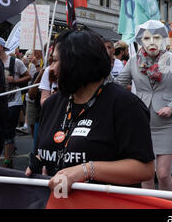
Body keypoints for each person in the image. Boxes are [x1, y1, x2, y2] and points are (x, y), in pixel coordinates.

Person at [26, 29, 155, 191]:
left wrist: (85, 170)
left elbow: (145, 169)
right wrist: (36, 165)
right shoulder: (52, 104)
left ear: (77, 63)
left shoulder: (125, 105)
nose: (50, 69)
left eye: (55, 61)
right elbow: (43, 151)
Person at [116, 20, 172, 191]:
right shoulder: (133, 61)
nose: (152, 42)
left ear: (163, 39)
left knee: (163, 174)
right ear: (141, 41)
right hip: (141, 123)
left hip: (166, 124)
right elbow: (118, 85)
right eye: (147, 38)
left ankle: (166, 205)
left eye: (156, 37)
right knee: (146, 174)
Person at [0, 37, 31, 168]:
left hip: (13, 101)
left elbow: (28, 76)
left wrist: (14, 81)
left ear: (1, 47)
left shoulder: (16, 62)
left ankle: (7, 161)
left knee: (8, 130)